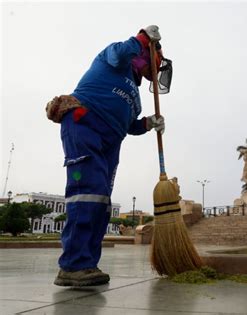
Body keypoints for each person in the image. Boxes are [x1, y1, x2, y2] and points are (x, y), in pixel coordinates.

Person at [50, 25, 166, 287]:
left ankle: (87, 264)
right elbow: (121, 52)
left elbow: (129, 125)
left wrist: (148, 123)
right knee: (87, 192)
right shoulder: (114, 57)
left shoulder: (134, 92)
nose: (153, 73)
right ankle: (72, 266)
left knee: (101, 201)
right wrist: (141, 39)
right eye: (153, 65)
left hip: (111, 141)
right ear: (146, 55)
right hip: (84, 124)